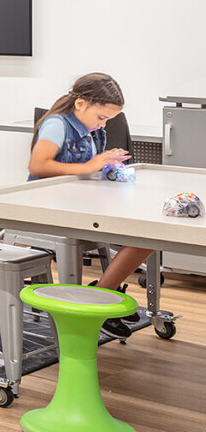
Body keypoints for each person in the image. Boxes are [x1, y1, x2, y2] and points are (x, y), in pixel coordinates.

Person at [28, 72, 149, 336]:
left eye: (108, 120)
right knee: (142, 236)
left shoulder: (93, 132)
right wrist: (90, 166)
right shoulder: (57, 125)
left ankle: (102, 294)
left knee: (149, 234)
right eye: (101, 117)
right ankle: (102, 298)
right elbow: (38, 165)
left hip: (78, 204)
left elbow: (86, 172)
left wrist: (107, 167)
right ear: (81, 104)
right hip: (49, 208)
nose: (103, 124)